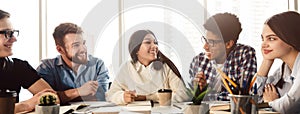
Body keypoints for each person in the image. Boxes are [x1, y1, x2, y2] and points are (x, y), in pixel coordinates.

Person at [106, 30, 190, 104]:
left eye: (155, 43)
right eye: (148, 42)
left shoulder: (165, 67)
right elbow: (110, 95)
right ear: (136, 49)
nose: (154, 46)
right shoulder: (127, 67)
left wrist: (148, 97)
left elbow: (183, 95)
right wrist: (122, 97)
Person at [189, 12, 257, 100]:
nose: (205, 47)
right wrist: (200, 91)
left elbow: (243, 95)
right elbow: (193, 98)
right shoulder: (199, 61)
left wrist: (207, 95)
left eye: (211, 42)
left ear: (228, 44)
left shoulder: (244, 54)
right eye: (205, 40)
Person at [36, 23, 110, 103]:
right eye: (76, 45)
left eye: (84, 43)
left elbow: (101, 97)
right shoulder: (47, 68)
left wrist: (62, 96)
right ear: (60, 49)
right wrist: (78, 91)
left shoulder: (98, 65)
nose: (83, 49)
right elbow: (45, 99)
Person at [0, 9, 57, 113]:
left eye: (13, 33)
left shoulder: (18, 66)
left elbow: (52, 96)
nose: (14, 39)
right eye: (7, 33)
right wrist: (24, 105)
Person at [255, 11, 300, 113]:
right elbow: (252, 99)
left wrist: (271, 102)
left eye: (271, 39)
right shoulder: (284, 70)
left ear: (291, 39)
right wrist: (267, 61)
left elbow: (289, 105)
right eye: (263, 39)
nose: (263, 45)